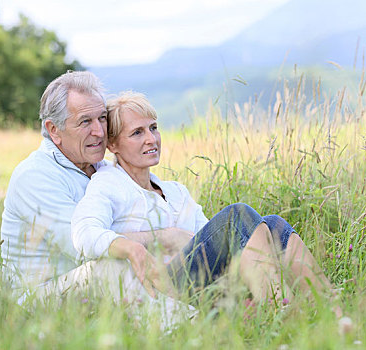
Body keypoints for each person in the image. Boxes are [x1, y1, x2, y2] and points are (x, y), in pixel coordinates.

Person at [71, 91, 335, 305]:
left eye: (153, 128)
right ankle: (278, 309)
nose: (151, 139)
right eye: (137, 132)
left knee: (273, 224)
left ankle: (327, 306)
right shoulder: (108, 183)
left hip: (204, 277)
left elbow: (215, 239)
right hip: (165, 282)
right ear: (113, 145)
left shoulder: (175, 191)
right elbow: (84, 233)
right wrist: (141, 244)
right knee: (236, 216)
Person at [0, 71, 173, 312]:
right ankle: (187, 326)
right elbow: (82, 245)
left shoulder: (101, 168)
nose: (100, 132)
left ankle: (217, 305)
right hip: (37, 300)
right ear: (54, 130)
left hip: (90, 289)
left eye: (102, 118)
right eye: (85, 122)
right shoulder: (34, 175)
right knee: (114, 263)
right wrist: (165, 237)